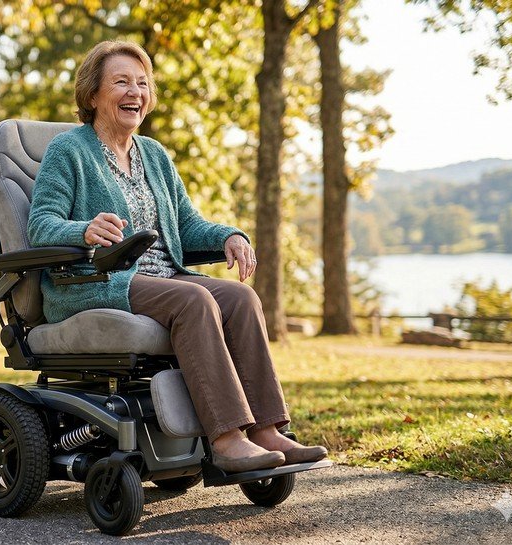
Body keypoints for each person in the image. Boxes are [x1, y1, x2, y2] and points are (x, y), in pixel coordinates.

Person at [27, 40, 327, 472]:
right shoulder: (68, 150)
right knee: (194, 300)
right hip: (95, 282)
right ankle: (226, 438)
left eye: (143, 83)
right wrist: (84, 229)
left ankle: (265, 430)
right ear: (92, 95)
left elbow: (186, 225)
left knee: (242, 299)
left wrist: (230, 236)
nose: (136, 92)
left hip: (162, 278)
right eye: (121, 82)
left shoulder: (154, 154)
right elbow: (41, 225)